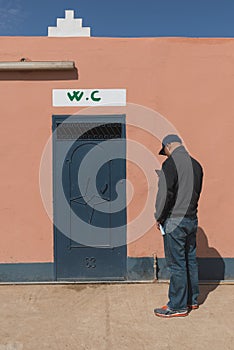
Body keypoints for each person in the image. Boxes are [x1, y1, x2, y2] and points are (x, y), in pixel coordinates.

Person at [154, 134, 203, 318]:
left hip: (175, 220)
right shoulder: (197, 165)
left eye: (164, 151)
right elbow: (197, 193)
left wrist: (158, 216)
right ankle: (192, 300)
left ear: (168, 146)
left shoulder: (170, 164)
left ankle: (177, 305)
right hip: (192, 219)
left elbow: (165, 194)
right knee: (190, 260)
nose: (165, 154)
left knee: (177, 264)